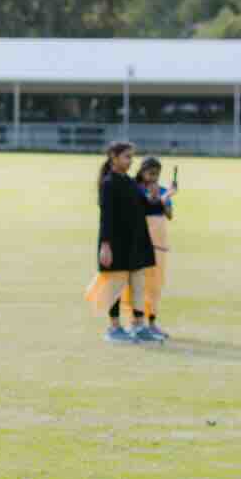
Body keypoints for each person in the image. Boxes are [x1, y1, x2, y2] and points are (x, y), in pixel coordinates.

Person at [97, 140, 156, 343]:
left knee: (138, 285)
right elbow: (107, 217)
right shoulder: (108, 184)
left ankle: (138, 325)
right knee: (115, 286)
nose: (131, 161)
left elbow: (144, 208)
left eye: (132, 157)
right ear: (114, 157)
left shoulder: (131, 182)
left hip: (136, 242)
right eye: (127, 157)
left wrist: (156, 198)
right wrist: (105, 246)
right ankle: (114, 328)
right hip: (117, 243)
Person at [117, 157, 176, 341]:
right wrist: (161, 197)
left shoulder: (163, 190)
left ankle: (151, 323)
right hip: (140, 243)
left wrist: (165, 198)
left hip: (159, 245)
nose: (154, 177)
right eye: (150, 173)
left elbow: (169, 215)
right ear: (142, 172)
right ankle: (135, 321)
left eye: (157, 174)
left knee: (155, 286)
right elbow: (142, 209)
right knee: (137, 284)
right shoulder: (136, 190)